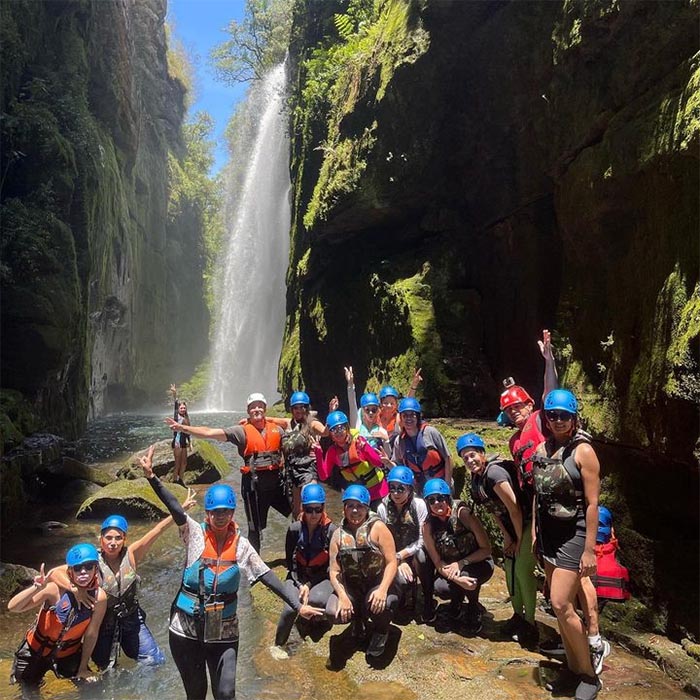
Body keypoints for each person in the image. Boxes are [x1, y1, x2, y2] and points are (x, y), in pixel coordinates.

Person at [141, 447, 323, 700]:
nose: (220, 516)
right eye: (215, 512)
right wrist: (152, 477)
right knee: (196, 694)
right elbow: (175, 509)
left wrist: (297, 606)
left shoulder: (241, 545)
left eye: (225, 511)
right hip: (186, 628)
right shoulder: (193, 533)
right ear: (207, 513)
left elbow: (267, 577)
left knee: (225, 693)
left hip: (223, 628)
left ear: (232, 513)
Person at [48, 495, 195, 669]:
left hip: (132, 621)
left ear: (124, 539)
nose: (113, 543)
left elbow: (156, 531)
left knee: (154, 662)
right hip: (103, 627)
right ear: (100, 539)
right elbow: (54, 573)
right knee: (105, 669)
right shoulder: (90, 562)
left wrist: (180, 510)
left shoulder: (131, 555)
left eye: (118, 538)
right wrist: (75, 589)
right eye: (108, 538)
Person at [532, 389, 605, 700]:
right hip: (548, 532)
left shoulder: (584, 452)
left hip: (573, 534)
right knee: (560, 608)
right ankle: (573, 669)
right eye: (552, 415)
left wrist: (589, 549)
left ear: (574, 418)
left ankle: (589, 675)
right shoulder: (541, 447)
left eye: (564, 415)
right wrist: (535, 532)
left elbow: (592, 505)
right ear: (546, 418)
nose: (558, 420)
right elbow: (539, 493)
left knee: (561, 603)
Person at [166, 392, 291, 553]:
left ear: (266, 409)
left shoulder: (278, 430)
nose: (257, 409)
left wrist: (273, 420)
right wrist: (183, 428)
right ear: (248, 411)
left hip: (276, 484)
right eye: (253, 407)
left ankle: (297, 557)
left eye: (260, 406)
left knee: (299, 514)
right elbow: (210, 432)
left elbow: (296, 422)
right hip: (254, 487)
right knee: (254, 529)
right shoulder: (240, 431)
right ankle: (254, 567)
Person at [458, 433, 539, 647]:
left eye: (473, 455)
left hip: (528, 522)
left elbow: (514, 509)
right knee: (510, 570)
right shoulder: (477, 479)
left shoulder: (494, 473)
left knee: (522, 571)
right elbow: (494, 511)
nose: (470, 460)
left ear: (482, 454)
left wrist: (519, 540)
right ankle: (517, 616)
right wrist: (506, 536)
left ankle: (530, 623)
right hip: (512, 527)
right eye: (465, 458)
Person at [9, 543, 108, 685]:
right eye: (78, 568)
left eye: (89, 566)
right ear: (70, 571)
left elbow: (91, 634)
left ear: (96, 568)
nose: (84, 572)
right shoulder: (54, 590)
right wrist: (35, 588)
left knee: (91, 686)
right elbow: (13, 607)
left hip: (68, 654)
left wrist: (82, 668)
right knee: (25, 690)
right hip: (34, 651)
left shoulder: (99, 598)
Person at [327, 484, 399, 658]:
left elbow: (391, 562)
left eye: (359, 506)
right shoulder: (337, 534)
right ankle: (357, 622)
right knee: (331, 611)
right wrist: (343, 597)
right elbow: (334, 571)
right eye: (350, 505)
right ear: (344, 508)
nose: (354, 511)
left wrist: (382, 590)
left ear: (367, 508)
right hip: (352, 587)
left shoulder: (378, 528)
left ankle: (381, 632)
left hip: (375, 583)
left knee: (381, 605)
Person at [271, 483, 336, 657]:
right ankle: (278, 644)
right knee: (290, 609)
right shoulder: (294, 529)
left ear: (323, 508)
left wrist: (310, 584)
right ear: (303, 509)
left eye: (317, 509)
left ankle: (314, 623)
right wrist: (300, 584)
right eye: (309, 509)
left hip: (322, 577)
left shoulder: (331, 531)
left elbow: (332, 567)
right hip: (297, 577)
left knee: (317, 599)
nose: (313, 514)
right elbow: (290, 563)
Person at [422, 478, 494, 634]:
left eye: (440, 498)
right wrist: (455, 578)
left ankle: (473, 607)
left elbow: (486, 549)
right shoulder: (428, 526)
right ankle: (457, 602)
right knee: (440, 587)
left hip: (478, 562)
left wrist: (462, 563)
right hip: (452, 569)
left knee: (468, 577)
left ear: (447, 497)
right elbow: (437, 561)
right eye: (431, 500)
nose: (437, 503)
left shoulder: (463, 513)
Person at [376, 466, 431, 618]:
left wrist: (401, 556)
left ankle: (427, 598)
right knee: (401, 580)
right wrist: (396, 560)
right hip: (392, 553)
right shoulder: (382, 508)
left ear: (409, 488)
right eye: (392, 488)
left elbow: (422, 539)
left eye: (401, 488)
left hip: (412, 551)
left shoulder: (418, 505)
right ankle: (400, 595)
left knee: (422, 556)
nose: (396, 493)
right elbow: (379, 540)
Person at [314, 410, 390, 511]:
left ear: (347, 428)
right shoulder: (332, 452)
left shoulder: (359, 441)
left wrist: (365, 449)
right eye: (334, 430)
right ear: (330, 434)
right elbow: (324, 476)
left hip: (378, 490)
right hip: (358, 495)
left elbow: (378, 462)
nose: (338, 432)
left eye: (341, 428)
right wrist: (318, 453)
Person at [391, 397, 452, 495]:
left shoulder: (430, 432)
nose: (408, 418)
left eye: (412, 415)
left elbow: (447, 457)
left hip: (440, 483)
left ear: (418, 417)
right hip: (419, 488)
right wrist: (386, 462)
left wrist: (447, 485)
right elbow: (398, 465)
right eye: (405, 415)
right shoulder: (400, 441)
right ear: (401, 418)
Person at [170, 384, 191, 486]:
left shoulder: (186, 418)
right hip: (177, 442)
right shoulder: (176, 416)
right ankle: (174, 480)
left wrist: (190, 443)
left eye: (184, 408)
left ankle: (180, 480)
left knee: (184, 463)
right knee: (177, 463)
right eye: (181, 408)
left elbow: (188, 432)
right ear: (178, 409)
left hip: (184, 442)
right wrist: (174, 393)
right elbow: (175, 403)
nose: (183, 409)